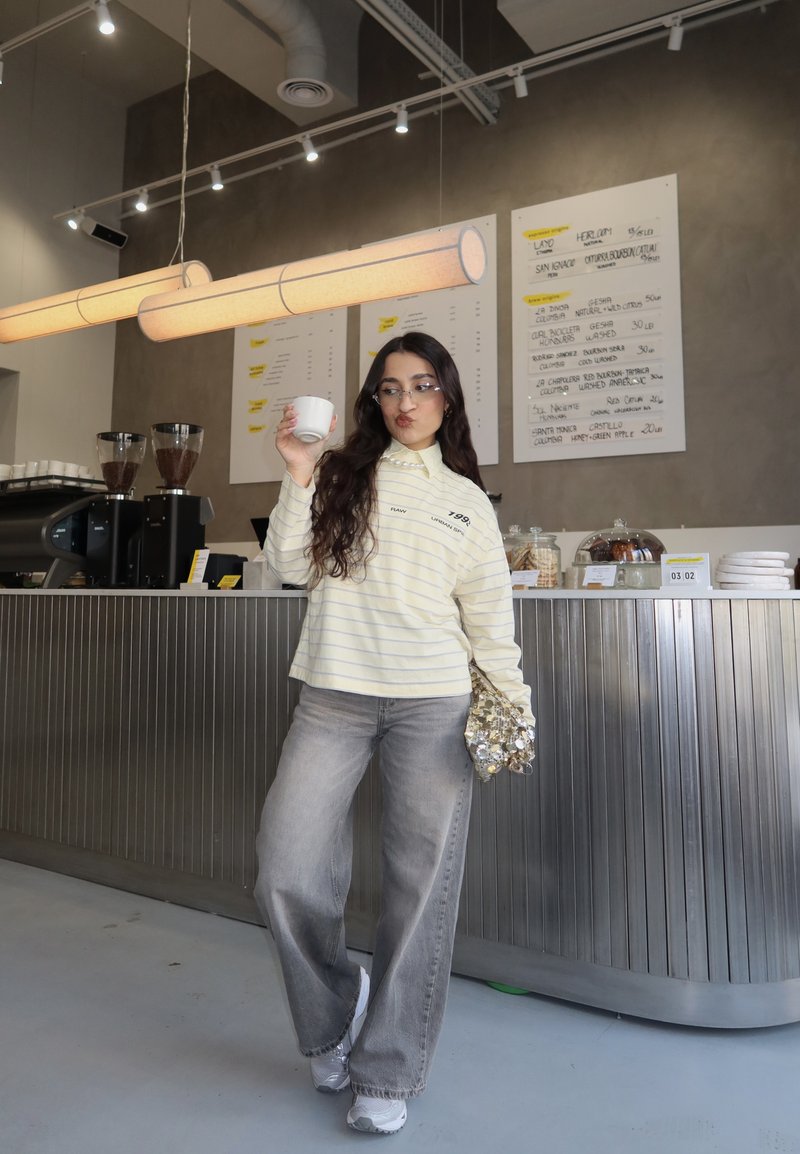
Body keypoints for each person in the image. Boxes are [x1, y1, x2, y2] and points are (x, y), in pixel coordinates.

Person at [254, 330, 533, 1136]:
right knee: (285, 867)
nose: (404, 402)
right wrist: (299, 471)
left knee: (419, 892)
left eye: (421, 386)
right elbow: (293, 567)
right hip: (333, 697)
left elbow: (490, 623)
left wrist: (511, 707)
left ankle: (388, 1070)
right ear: (373, 401)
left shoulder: (467, 501)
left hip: (434, 706)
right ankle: (334, 1017)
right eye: (388, 389)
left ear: (447, 396)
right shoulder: (341, 474)